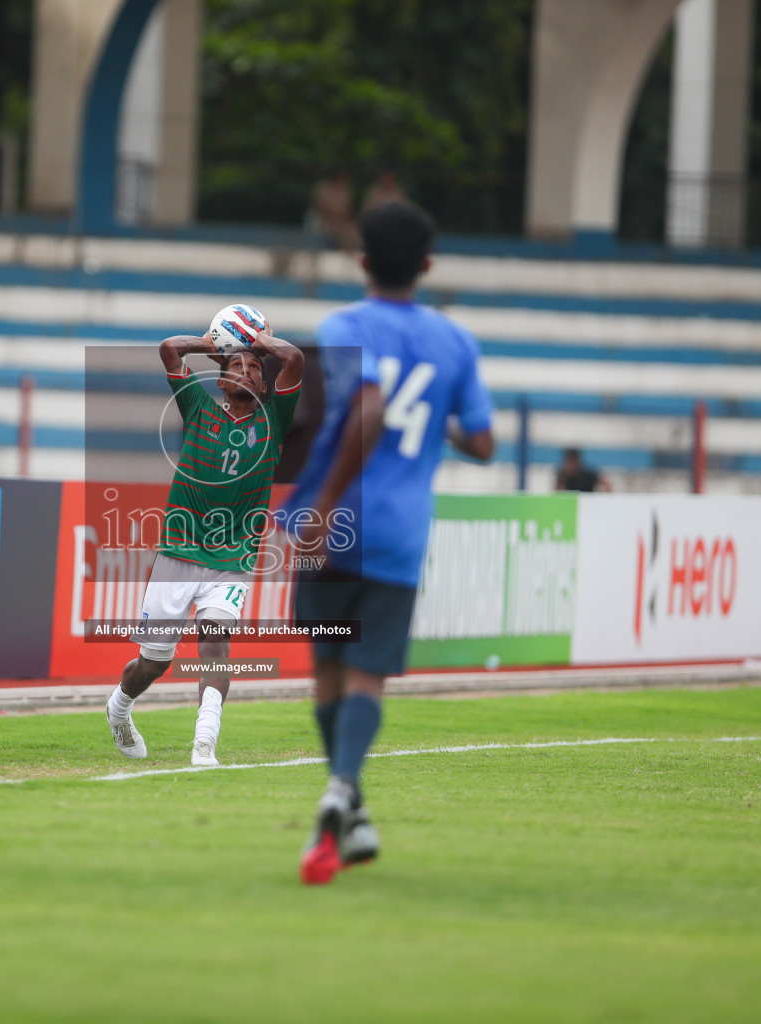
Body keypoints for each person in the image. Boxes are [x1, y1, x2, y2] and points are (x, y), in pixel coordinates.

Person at [278, 202, 495, 884]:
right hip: (401, 532)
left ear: (363, 260)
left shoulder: (344, 325)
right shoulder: (457, 343)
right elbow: (484, 441)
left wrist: (322, 507)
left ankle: (347, 795)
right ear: (427, 266)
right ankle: (350, 798)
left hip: (338, 523)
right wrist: (437, 426)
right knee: (367, 672)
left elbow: (367, 409)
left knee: (328, 669)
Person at [105, 318, 303, 767]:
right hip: (177, 551)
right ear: (220, 376)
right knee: (154, 662)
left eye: (256, 369)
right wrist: (216, 343)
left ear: (267, 388)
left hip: (232, 557)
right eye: (237, 366)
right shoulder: (197, 406)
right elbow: (169, 349)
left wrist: (259, 343)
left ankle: (205, 742)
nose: (248, 371)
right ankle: (119, 708)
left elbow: (295, 359)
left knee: (215, 642)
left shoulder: (274, 422)